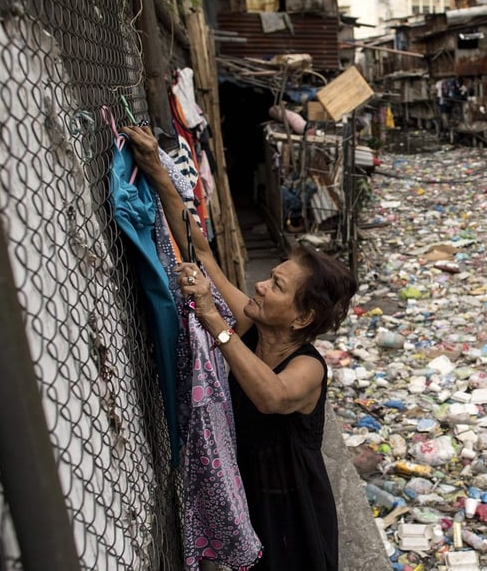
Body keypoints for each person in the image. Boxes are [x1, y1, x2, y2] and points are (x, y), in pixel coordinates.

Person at [122, 125, 357, 570]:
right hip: (248, 490)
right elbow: (202, 252)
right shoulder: (253, 324)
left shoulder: (308, 368)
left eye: (276, 285)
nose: (259, 284)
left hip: (293, 508)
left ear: (303, 317)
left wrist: (213, 317)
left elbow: (270, 396)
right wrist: (155, 169)